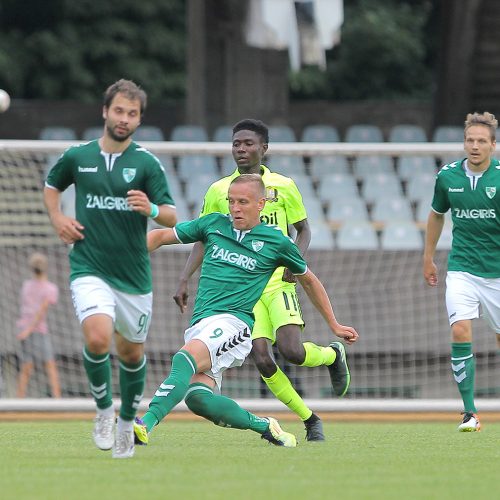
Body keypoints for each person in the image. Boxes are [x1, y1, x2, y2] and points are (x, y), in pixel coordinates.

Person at [133, 174, 359, 448]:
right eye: (231, 201)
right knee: (198, 399)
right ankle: (266, 427)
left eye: (243, 202)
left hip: (234, 324)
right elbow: (159, 236)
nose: (235, 208)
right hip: (202, 322)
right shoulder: (213, 225)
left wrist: (334, 324)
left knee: (184, 360)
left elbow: (310, 280)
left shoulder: (276, 242)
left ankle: (144, 425)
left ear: (261, 204)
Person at [173, 118, 346, 442]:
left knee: (292, 351)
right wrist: (185, 278)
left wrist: (294, 262)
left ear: (263, 148)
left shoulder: (284, 186)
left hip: (278, 281)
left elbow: (303, 229)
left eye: (248, 143)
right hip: (242, 290)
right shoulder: (219, 190)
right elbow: (204, 235)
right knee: (263, 358)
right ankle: (310, 419)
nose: (241, 149)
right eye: (236, 143)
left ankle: (332, 355)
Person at [44, 79, 177, 458]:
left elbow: (170, 213)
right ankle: (104, 411)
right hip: (89, 265)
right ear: (105, 111)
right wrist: (57, 218)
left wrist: (150, 209)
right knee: (98, 339)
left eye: (132, 114)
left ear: (139, 120)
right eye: (119, 110)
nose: (124, 118)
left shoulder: (146, 163)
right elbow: (52, 186)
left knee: (131, 354)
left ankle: (126, 422)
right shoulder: (78, 156)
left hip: (134, 275)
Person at [423, 111, 500, 432]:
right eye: (470, 140)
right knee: (460, 331)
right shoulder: (448, 177)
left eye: (482, 141)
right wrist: (428, 257)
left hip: (497, 273)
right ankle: (470, 412)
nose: (475, 146)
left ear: (493, 146)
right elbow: (437, 215)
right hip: (462, 269)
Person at [16, 252, 61, 398]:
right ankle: (58, 400)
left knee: (28, 367)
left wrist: (26, 330)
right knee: (47, 365)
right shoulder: (50, 288)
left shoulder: (26, 285)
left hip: (25, 328)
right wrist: (29, 330)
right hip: (35, 330)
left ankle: (20, 400)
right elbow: (40, 312)